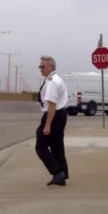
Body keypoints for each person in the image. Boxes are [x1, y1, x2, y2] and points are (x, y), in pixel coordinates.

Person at [35, 55, 69, 186]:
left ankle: (57, 171)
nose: (40, 69)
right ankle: (62, 176)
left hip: (53, 115)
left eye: (42, 66)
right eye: (40, 66)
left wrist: (47, 125)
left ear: (50, 67)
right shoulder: (56, 79)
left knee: (40, 146)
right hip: (60, 115)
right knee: (57, 146)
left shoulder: (52, 82)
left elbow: (52, 105)